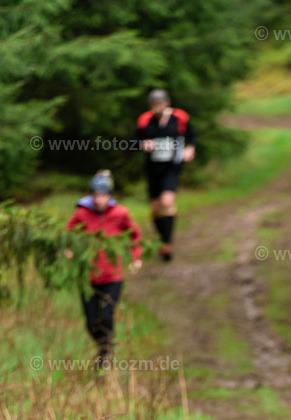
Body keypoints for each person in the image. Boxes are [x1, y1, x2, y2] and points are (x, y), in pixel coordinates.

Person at [65, 170, 143, 369]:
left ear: (110, 196)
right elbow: (67, 234)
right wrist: (68, 249)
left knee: (106, 316)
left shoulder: (120, 213)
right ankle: (102, 348)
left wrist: (135, 258)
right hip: (88, 276)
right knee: (91, 323)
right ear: (91, 196)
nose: (99, 200)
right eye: (96, 196)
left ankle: (106, 351)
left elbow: (135, 235)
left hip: (113, 276)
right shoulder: (82, 213)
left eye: (103, 195)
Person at [136, 88, 196, 261]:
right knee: (155, 209)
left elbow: (192, 136)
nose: (157, 108)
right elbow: (135, 140)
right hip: (152, 169)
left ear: (167, 103)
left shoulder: (180, 118)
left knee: (167, 202)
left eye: (160, 104)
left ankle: (167, 243)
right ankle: (162, 239)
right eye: (153, 105)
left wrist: (190, 149)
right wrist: (142, 144)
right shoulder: (144, 120)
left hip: (171, 168)